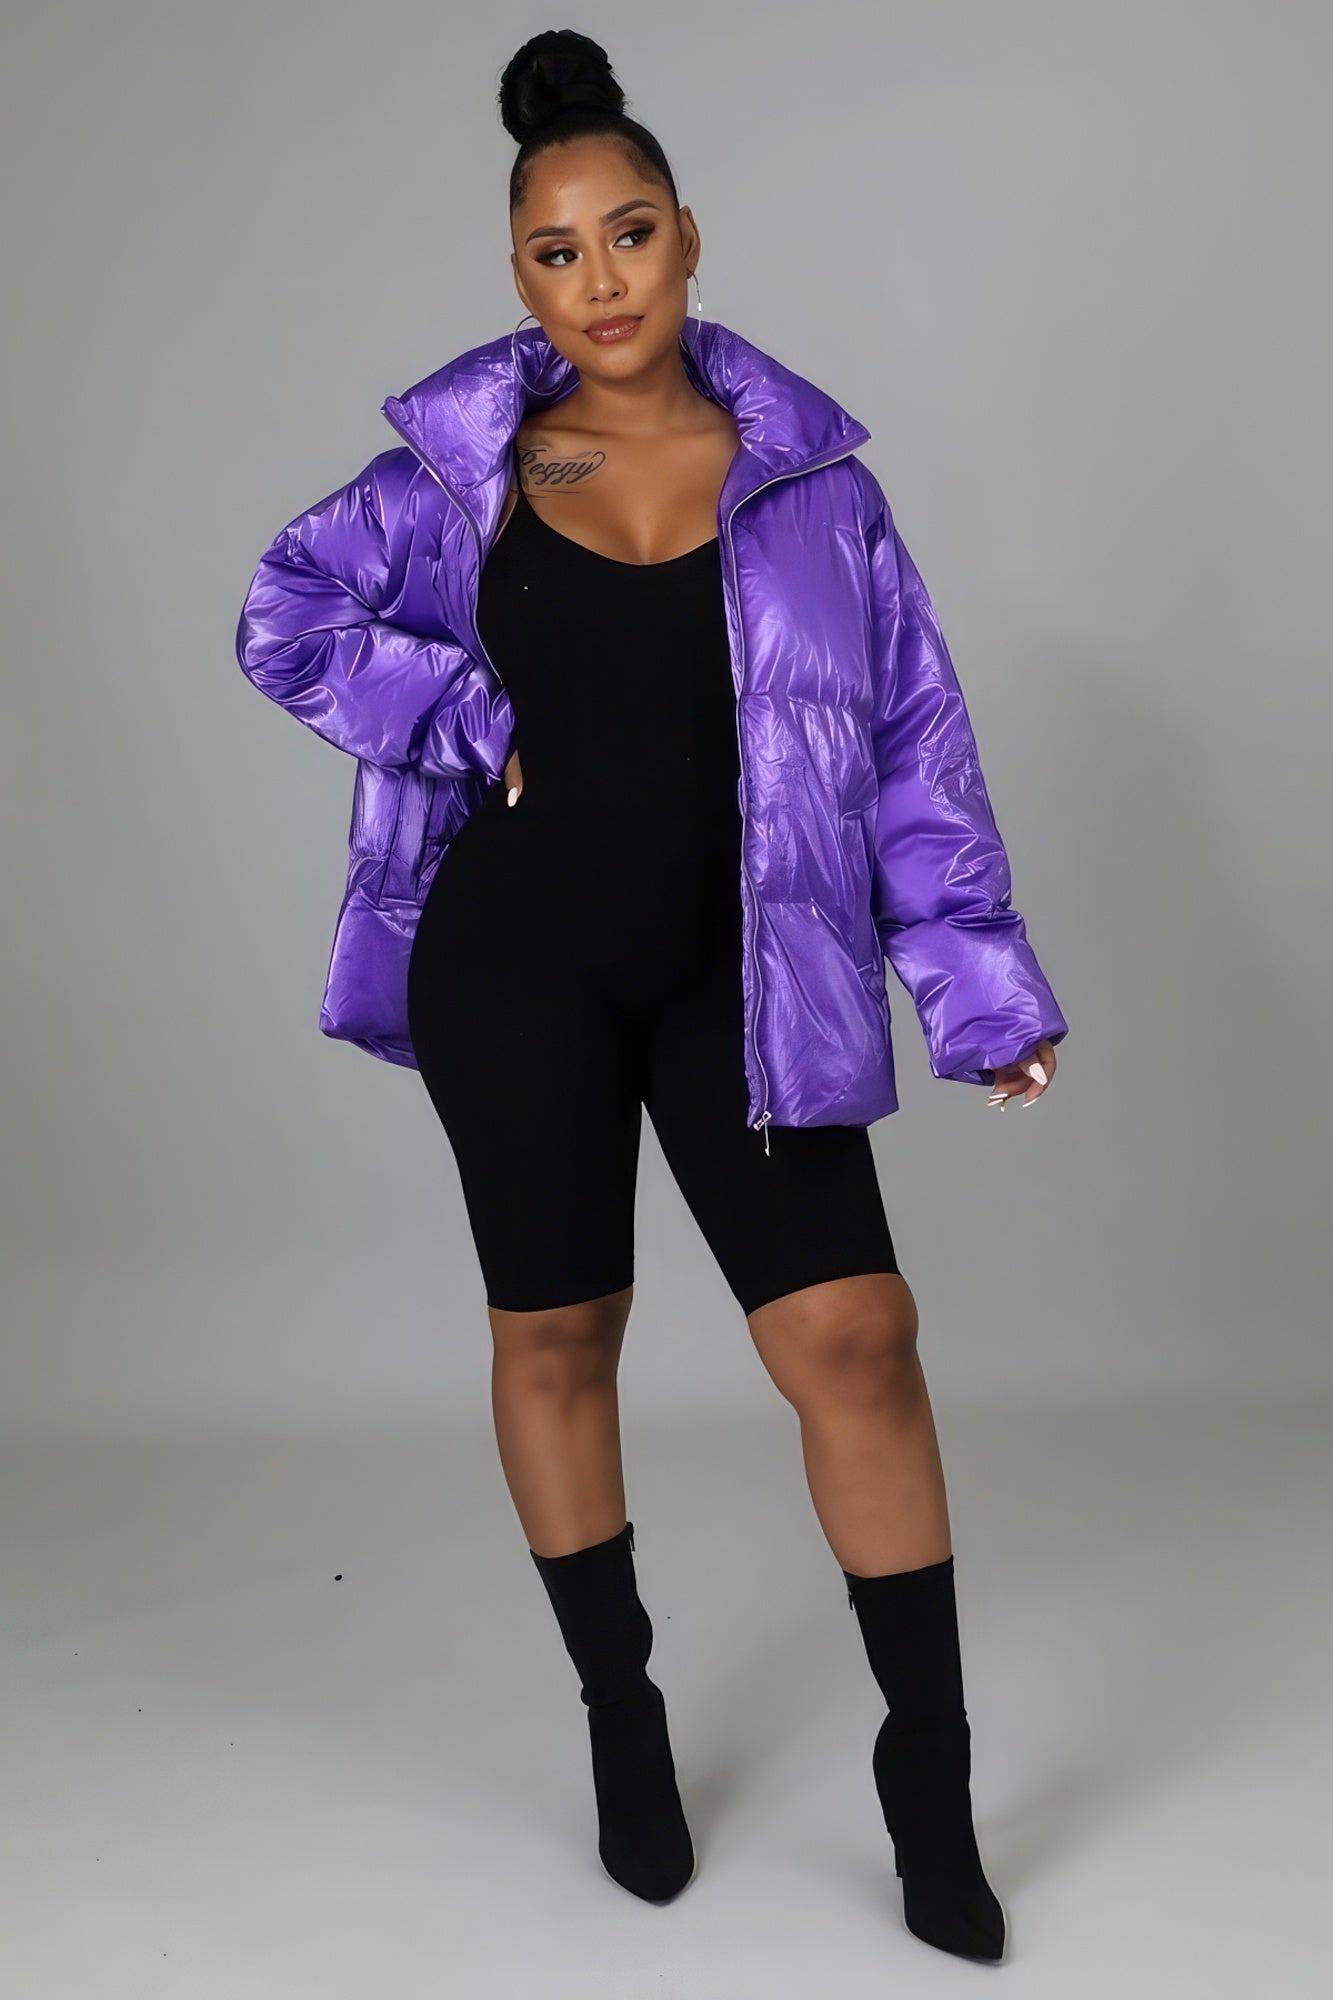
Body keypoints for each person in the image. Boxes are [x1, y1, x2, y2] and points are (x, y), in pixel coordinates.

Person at [235, 27, 1069, 1962]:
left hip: (744, 975)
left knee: (855, 1338)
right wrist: (458, 716)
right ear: (519, 276)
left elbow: (911, 749)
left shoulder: (814, 490)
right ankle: (622, 1715)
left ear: (688, 237)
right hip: (515, 968)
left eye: (627, 235)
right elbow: (286, 610)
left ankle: (928, 1786)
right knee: (561, 1334)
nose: (599, 280)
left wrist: (978, 987)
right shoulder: (459, 478)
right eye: (556, 251)